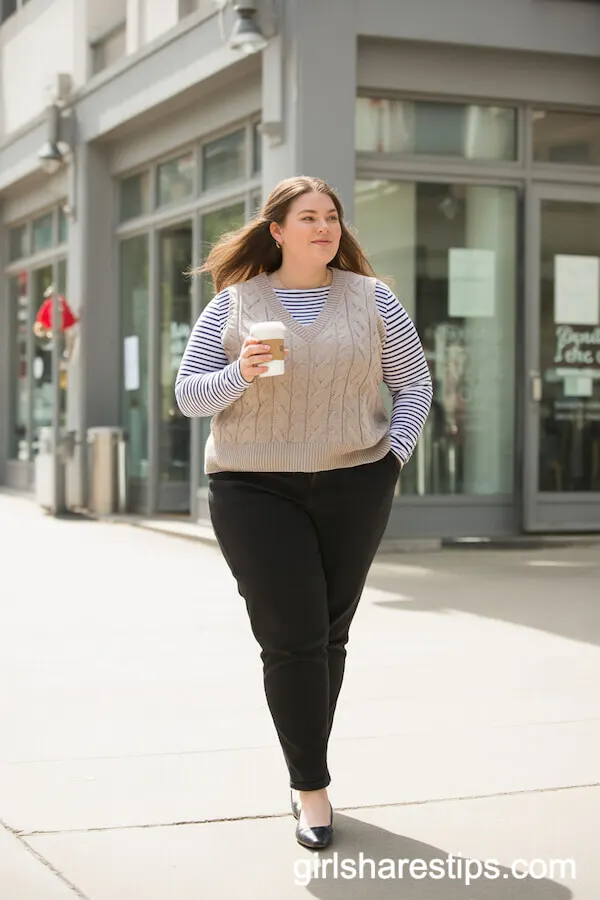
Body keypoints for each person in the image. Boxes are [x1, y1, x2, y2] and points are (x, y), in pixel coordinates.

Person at [175, 176, 433, 850]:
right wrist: (242, 374)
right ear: (278, 230)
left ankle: (301, 768)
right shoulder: (234, 305)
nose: (325, 227)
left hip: (355, 481)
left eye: (333, 217)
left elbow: (412, 381)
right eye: (308, 217)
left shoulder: (373, 299)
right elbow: (189, 396)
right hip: (253, 486)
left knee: (328, 636)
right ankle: (312, 788)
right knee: (291, 637)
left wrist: (393, 456)